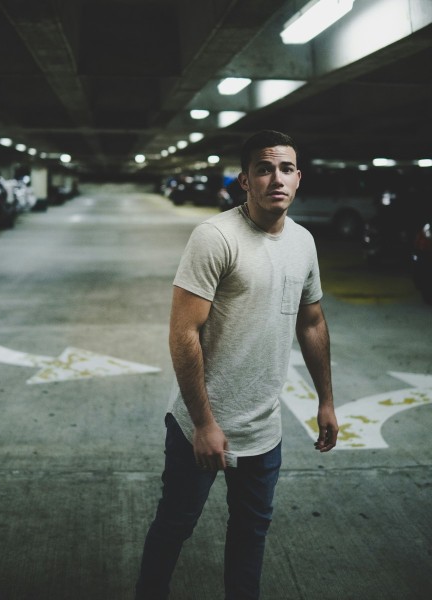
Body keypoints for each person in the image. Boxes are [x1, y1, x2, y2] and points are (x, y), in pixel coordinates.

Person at [135, 130, 339, 599]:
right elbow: (183, 333)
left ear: (298, 177)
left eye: (286, 169)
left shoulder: (303, 242)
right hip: (201, 426)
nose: (276, 179)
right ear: (245, 180)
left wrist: (326, 401)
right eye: (264, 169)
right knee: (175, 525)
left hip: (265, 429)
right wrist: (204, 424)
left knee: (251, 532)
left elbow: (312, 321)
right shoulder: (215, 238)